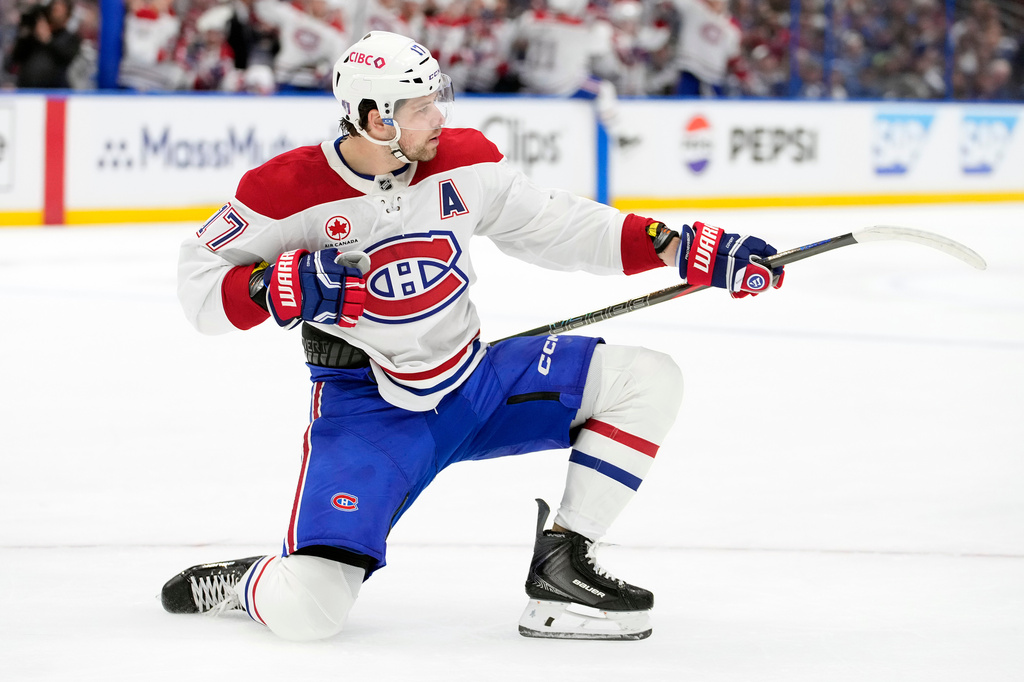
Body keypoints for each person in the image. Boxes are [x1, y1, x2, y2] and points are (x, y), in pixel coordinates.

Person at [163, 30, 785, 642]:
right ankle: (249, 582)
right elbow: (199, 288)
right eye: (421, 106)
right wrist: (275, 284)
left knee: (647, 379)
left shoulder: (461, 161)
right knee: (311, 613)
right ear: (376, 119)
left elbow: (558, 225)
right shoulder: (285, 193)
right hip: (368, 416)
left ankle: (561, 563)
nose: (439, 115)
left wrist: (683, 250)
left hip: (476, 384)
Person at [7, 0, 81, 88]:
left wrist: (48, 39)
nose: (54, 13)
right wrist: (25, 33)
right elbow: (16, 57)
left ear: (67, 16)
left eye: (58, 10)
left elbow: (65, 58)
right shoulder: (33, 36)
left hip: (54, 92)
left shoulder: (70, 38)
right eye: (53, 9)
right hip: (26, 91)